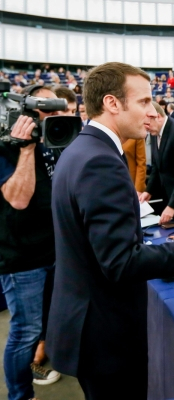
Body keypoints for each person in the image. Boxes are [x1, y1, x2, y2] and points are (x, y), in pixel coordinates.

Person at [46, 62, 174, 399]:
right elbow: (121, 263)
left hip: (89, 325)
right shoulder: (100, 160)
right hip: (106, 335)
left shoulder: (83, 149)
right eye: (144, 102)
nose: (151, 112)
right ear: (112, 103)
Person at [0, 85, 63, 400]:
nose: (53, 116)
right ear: (25, 110)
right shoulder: (6, 144)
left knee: (42, 326)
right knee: (24, 332)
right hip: (21, 257)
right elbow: (18, 199)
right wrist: (25, 148)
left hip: (51, 249)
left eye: (56, 109)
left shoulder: (54, 139)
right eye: (45, 109)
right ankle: (20, 395)